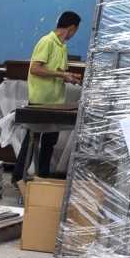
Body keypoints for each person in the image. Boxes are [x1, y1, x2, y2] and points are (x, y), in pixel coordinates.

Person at [13, 11, 83, 183]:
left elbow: (54, 70)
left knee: (49, 142)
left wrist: (68, 76)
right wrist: (62, 75)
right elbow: (35, 68)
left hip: (56, 102)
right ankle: (18, 178)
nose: (74, 34)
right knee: (31, 141)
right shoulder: (47, 42)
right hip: (40, 101)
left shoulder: (62, 47)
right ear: (72, 28)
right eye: (76, 30)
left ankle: (42, 178)